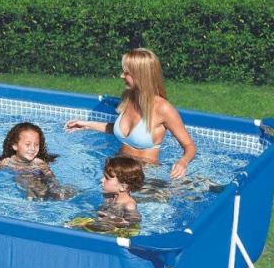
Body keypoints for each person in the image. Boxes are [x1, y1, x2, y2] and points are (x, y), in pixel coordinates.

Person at [65, 48, 196, 179]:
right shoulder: (128, 98)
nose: (122, 76)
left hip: (146, 177)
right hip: (116, 171)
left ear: (141, 75)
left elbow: (189, 146)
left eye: (127, 72)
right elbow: (118, 129)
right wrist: (87, 125)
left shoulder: (163, 109)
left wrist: (183, 162)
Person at [0, 122, 73, 201]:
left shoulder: (38, 163)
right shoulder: (6, 162)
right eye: (28, 144)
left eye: (36, 144)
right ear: (15, 146)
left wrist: (55, 189)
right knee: (25, 180)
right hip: (26, 184)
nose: (33, 148)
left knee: (64, 192)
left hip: (40, 183)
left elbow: (51, 179)